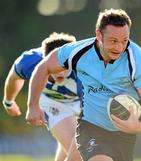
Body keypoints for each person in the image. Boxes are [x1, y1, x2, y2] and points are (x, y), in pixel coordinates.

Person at [26, 8, 141, 161]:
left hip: (124, 134)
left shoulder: (138, 61)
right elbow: (44, 68)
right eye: (113, 41)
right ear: (99, 34)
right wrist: (33, 106)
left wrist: (140, 126)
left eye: (124, 40)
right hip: (91, 126)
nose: (119, 47)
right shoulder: (78, 52)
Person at [2, 32, 82, 161]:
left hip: (79, 102)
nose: (61, 71)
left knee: (75, 147)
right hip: (50, 102)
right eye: (57, 66)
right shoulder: (30, 61)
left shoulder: (83, 63)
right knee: (82, 152)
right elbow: (13, 79)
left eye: (65, 65)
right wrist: (8, 101)